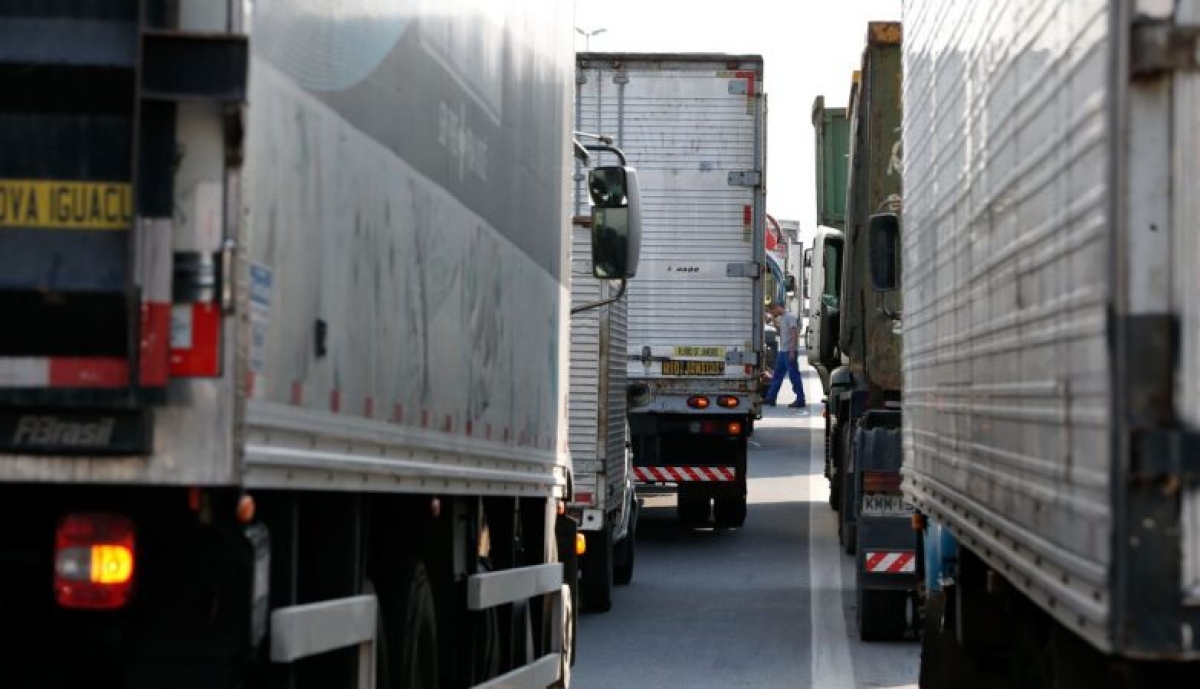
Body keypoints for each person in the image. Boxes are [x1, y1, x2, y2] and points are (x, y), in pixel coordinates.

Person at [764, 303, 807, 412]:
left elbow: (794, 334)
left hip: (789, 351)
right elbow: (779, 333)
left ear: (776, 308)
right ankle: (770, 398)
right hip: (782, 351)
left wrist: (792, 350)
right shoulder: (782, 318)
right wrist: (774, 321)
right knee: (777, 375)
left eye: (772, 312)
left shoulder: (790, 317)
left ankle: (800, 399)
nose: (772, 314)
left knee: (794, 376)